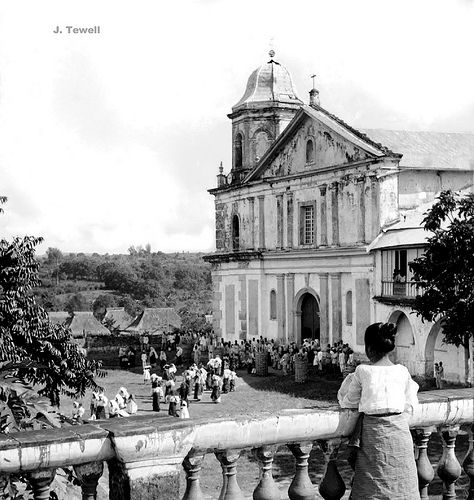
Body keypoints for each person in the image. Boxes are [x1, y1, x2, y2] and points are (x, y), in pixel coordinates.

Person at [338, 322, 419, 499]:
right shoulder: (402, 371)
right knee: (401, 484)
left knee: (372, 484)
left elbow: (349, 402)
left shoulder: (363, 371)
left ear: (369, 348)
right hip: (400, 433)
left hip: (374, 434)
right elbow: (411, 404)